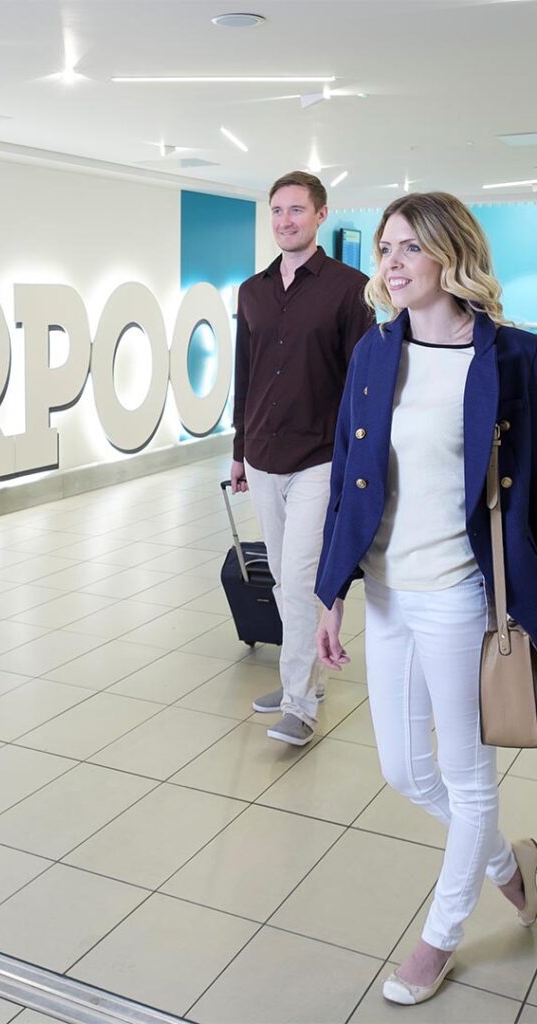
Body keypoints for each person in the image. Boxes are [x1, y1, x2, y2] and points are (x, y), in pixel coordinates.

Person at [315, 192, 537, 1005]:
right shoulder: (376, 351)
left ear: (452, 254)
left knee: (466, 776)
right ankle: (514, 869)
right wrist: (330, 591)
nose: (393, 263)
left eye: (410, 247)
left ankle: (439, 938)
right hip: (384, 590)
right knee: (404, 772)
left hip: (459, 594)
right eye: (386, 248)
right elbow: (347, 472)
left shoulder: (513, 358)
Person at [230, 171, 374, 745]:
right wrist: (239, 449)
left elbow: (363, 382)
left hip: (320, 456)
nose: (285, 220)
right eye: (277, 211)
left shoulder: (351, 289)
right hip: (263, 453)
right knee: (283, 577)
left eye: (296, 210)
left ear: (321, 214)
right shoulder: (252, 291)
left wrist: (360, 460)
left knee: (300, 580)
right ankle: (304, 677)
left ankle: (300, 703)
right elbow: (245, 374)